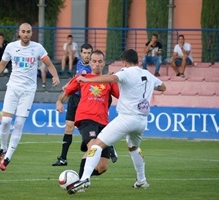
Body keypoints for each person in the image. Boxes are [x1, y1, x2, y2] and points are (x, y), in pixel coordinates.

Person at [68, 49, 166, 194]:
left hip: (127, 118)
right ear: (137, 61)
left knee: (96, 145)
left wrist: (87, 80)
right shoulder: (147, 75)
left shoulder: (125, 72)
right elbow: (163, 87)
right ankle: (142, 180)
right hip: (142, 122)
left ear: (124, 62)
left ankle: (85, 179)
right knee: (133, 148)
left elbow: (111, 79)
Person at [0, 22, 60, 171]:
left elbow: (49, 64)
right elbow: (1, 65)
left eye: (28, 32)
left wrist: (55, 76)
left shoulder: (38, 48)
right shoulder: (11, 47)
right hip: (13, 88)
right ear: (19, 33)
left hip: (28, 91)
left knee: (18, 124)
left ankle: (7, 157)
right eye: (23, 31)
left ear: (32, 33)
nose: (25, 34)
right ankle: (2, 148)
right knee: (5, 121)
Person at [55, 50, 120, 180]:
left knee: (102, 167)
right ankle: (79, 181)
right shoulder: (82, 78)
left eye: (100, 62)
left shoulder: (109, 81)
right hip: (86, 118)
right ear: (90, 63)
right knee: (94, 147)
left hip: (103, 122)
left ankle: (81, 177)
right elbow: (67, 92)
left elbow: (121, 96)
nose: (97, 64)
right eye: (94, 61)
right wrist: (59, 101)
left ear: (104, 64)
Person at [52, 43, 93, 166]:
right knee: (69, 127)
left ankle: (108, 147)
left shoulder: (91, 67)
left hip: (84, 100)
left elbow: (80, 78)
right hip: (74, 98)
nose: (86, 55)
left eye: (88, 53)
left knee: (88, 130)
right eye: (84, 53)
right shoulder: (80, 63)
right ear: (80, 54)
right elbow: (76, 77)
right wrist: (69, 83)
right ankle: (63, 158)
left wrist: (69, 85)